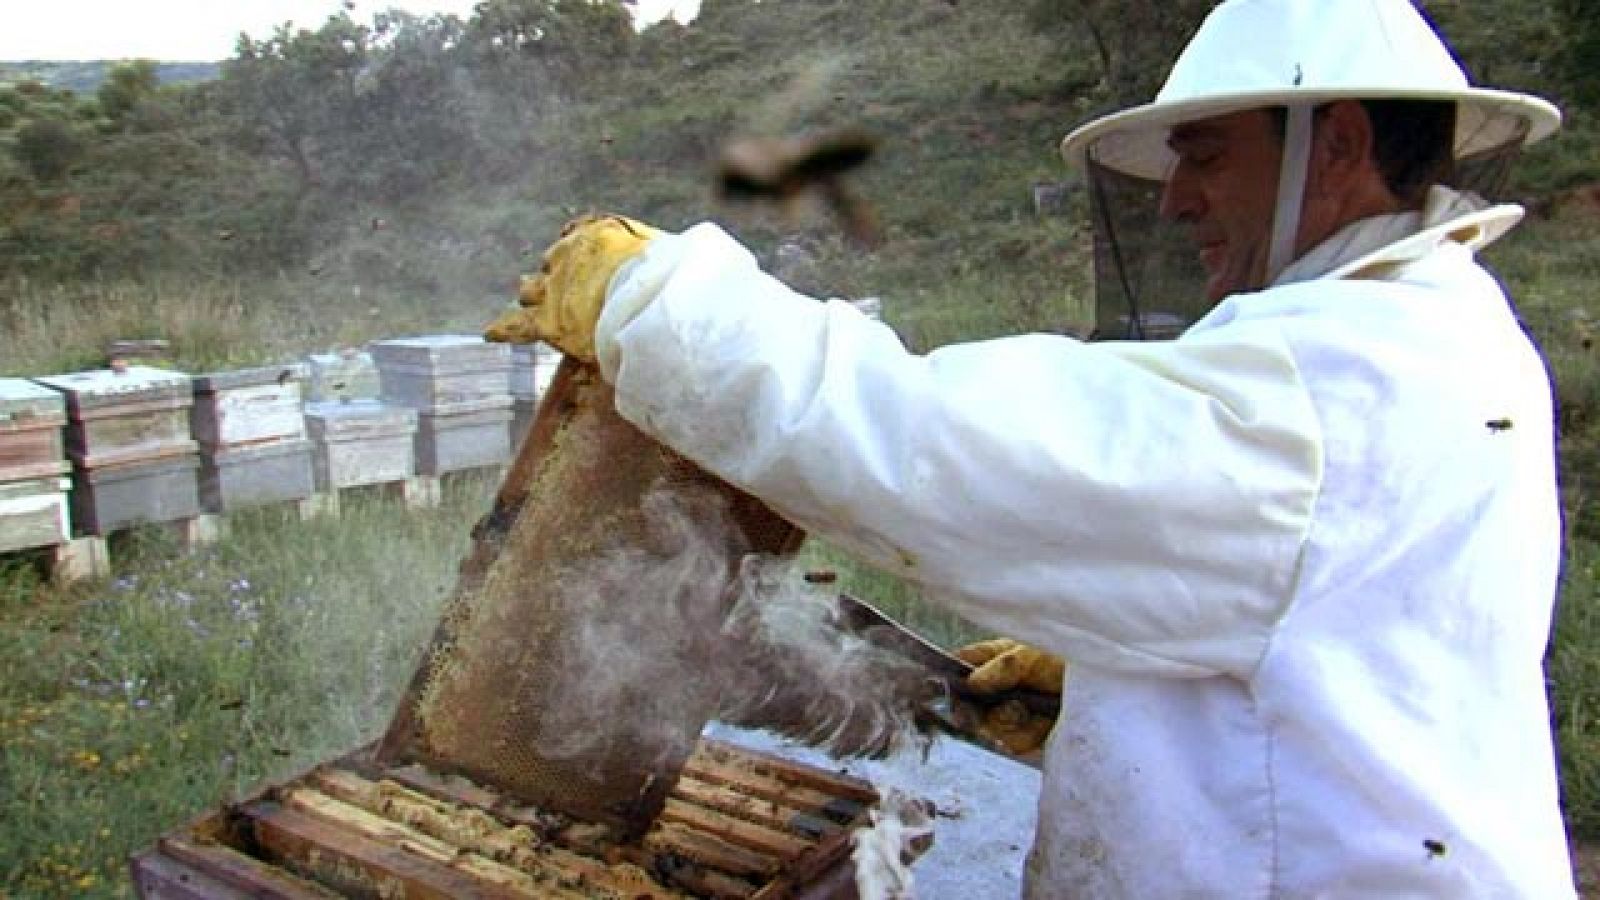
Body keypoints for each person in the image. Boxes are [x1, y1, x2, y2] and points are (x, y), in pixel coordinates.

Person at [486, 0, 1575, 895]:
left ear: (1335, 146)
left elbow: (928, 450)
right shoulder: (1444, 330)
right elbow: (1340, 619)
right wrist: (1127, 677)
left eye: (1204, 155)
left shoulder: (1332, 391)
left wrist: (656, 300)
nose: (1177, 200)